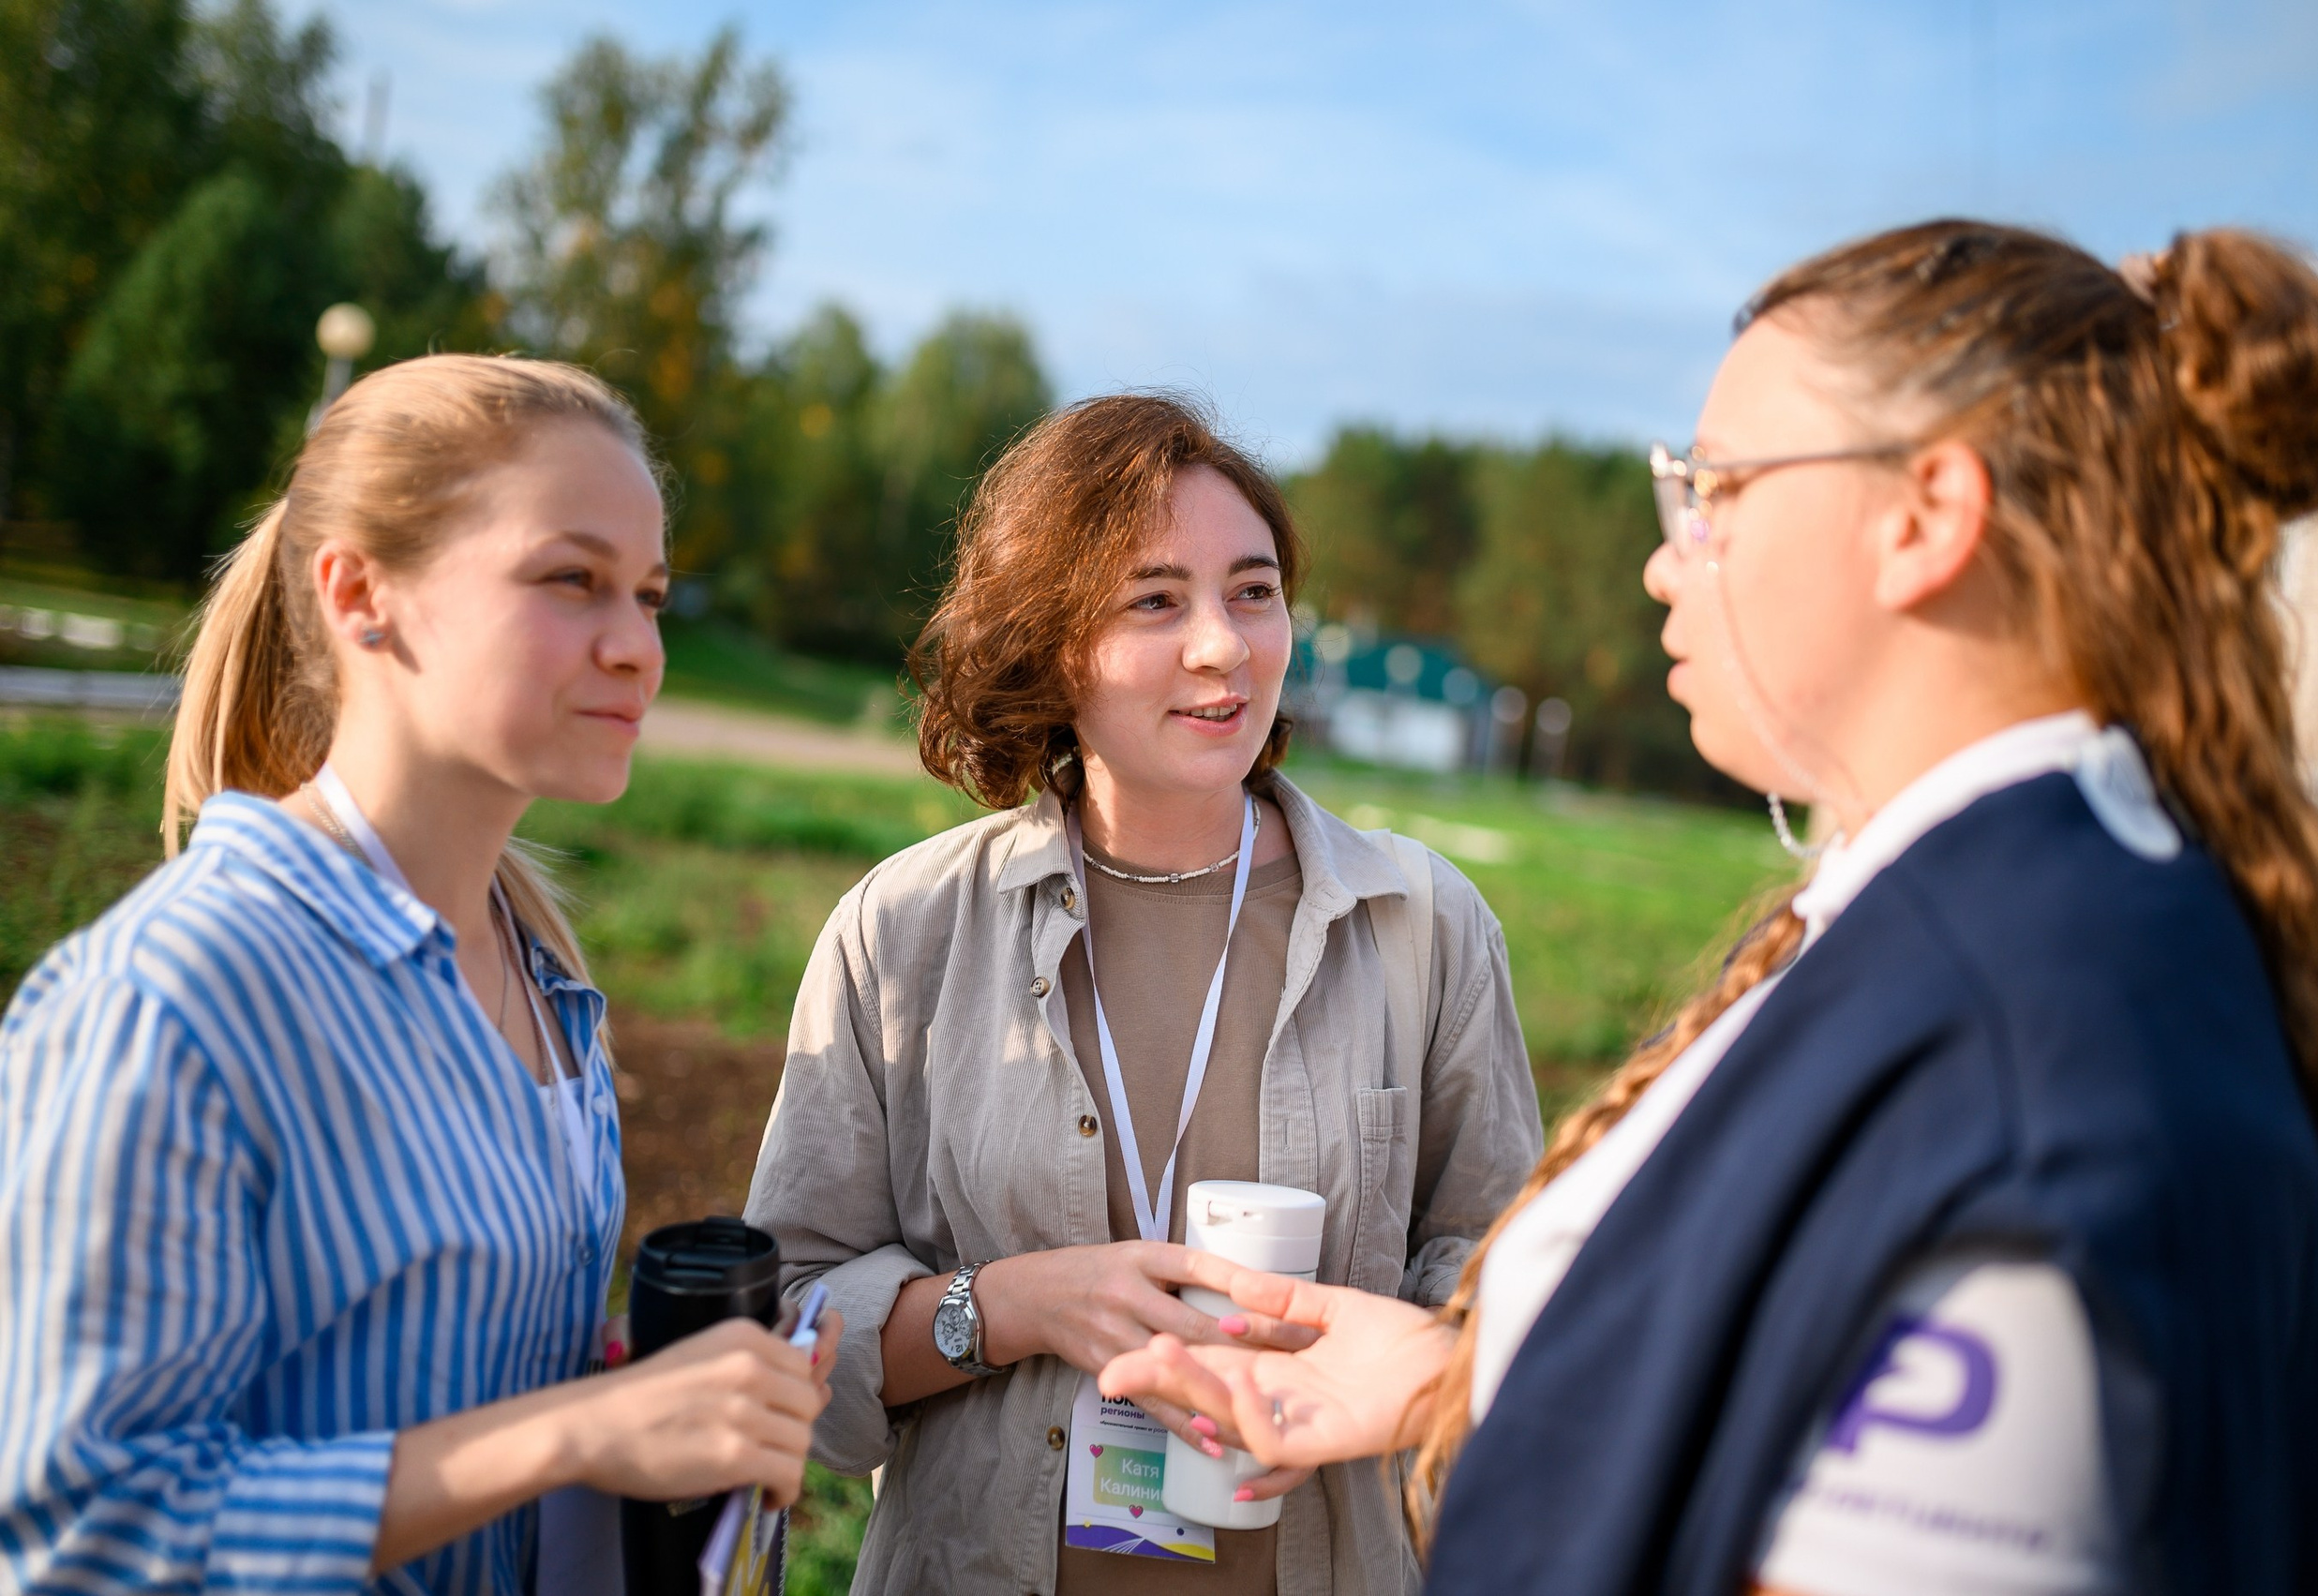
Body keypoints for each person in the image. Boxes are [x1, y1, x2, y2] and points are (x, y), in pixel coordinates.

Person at [1099, 222, 2318, 1596]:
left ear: (1926, 516)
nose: (1669, 558)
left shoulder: (2006, 1028)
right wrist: (1458, 1373)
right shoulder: (2029, 921)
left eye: (1713, 487)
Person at [0, 354, 838, 1593]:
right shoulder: (170, 998)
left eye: (650, 595)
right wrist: (578, 1432)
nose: (637, 649)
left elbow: (461, 1400)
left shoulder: (546, 974)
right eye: (574, 580)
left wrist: (665, 1412)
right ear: (360, 593)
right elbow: (88, 1532)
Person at [744, 392, 1543, 1595]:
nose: (1222, 643)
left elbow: (1499, 1290)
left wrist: (1377, 1384)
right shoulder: (901, 929)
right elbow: (785, 1331)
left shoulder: (1423, 926)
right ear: (1049, 639)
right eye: (1155, 599)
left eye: (1254, 589)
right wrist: (1007, 1306)